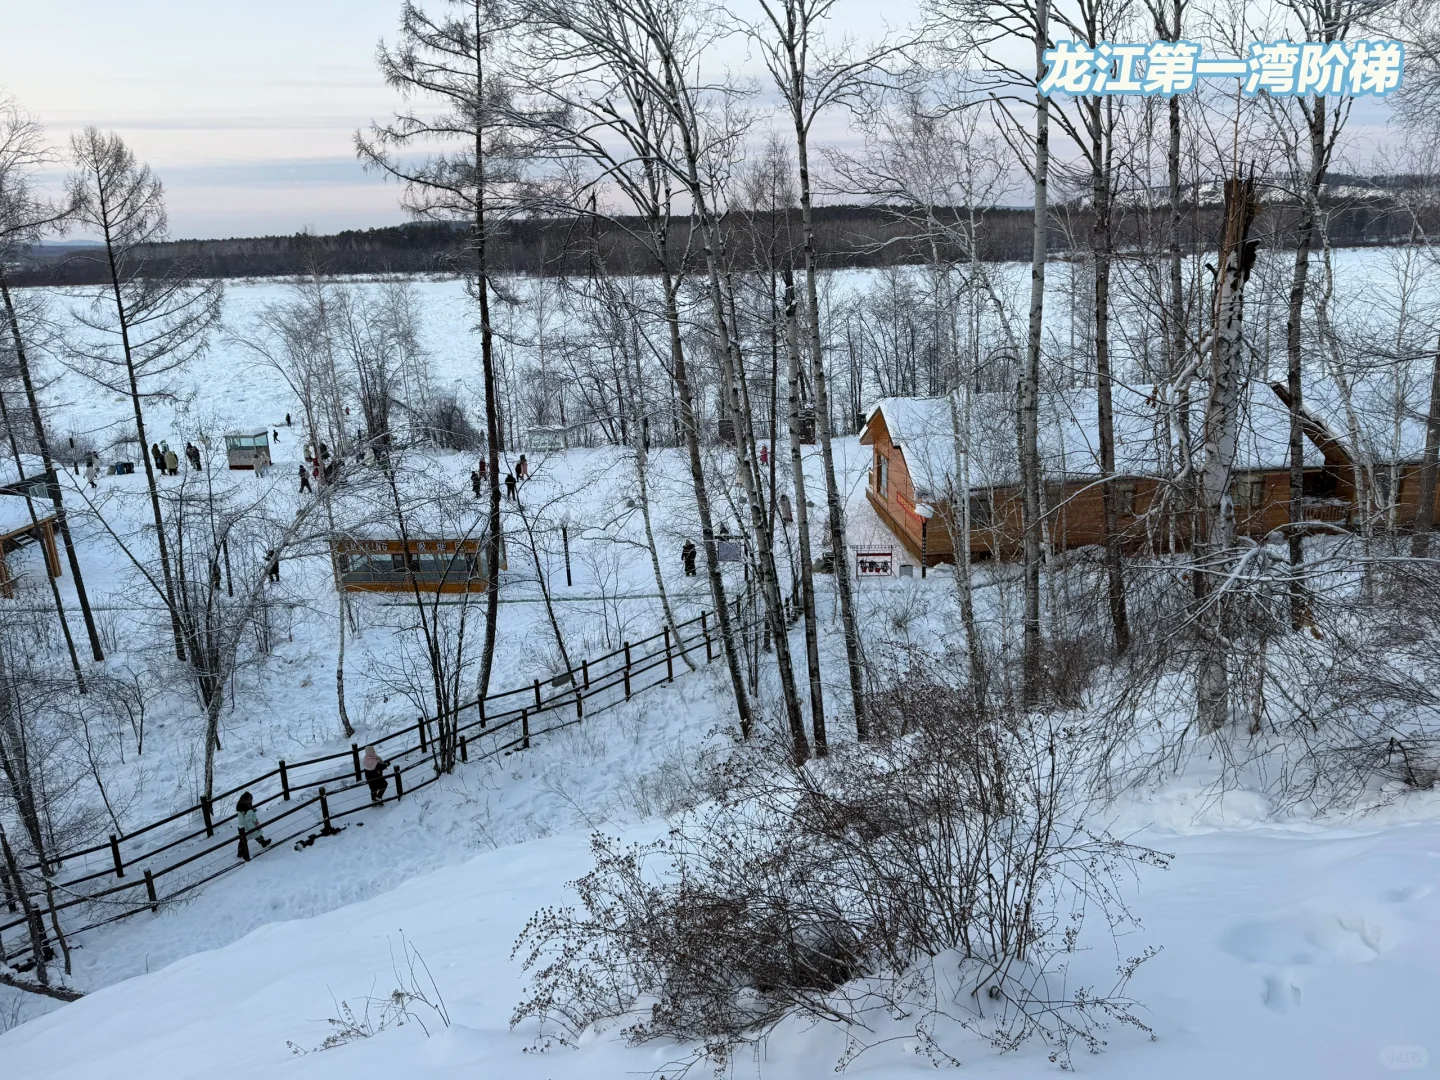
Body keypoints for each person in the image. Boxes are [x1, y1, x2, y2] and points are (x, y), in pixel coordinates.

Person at [235, 791, 269, 860]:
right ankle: (263, 843)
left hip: (242, 826)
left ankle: (240, 852)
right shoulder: (248, 810)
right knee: (255, 834)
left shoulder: (240, 806)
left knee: (243, 839)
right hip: (249, 826)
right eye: (251, 800)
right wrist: (253, 829)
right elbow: (249, 821)